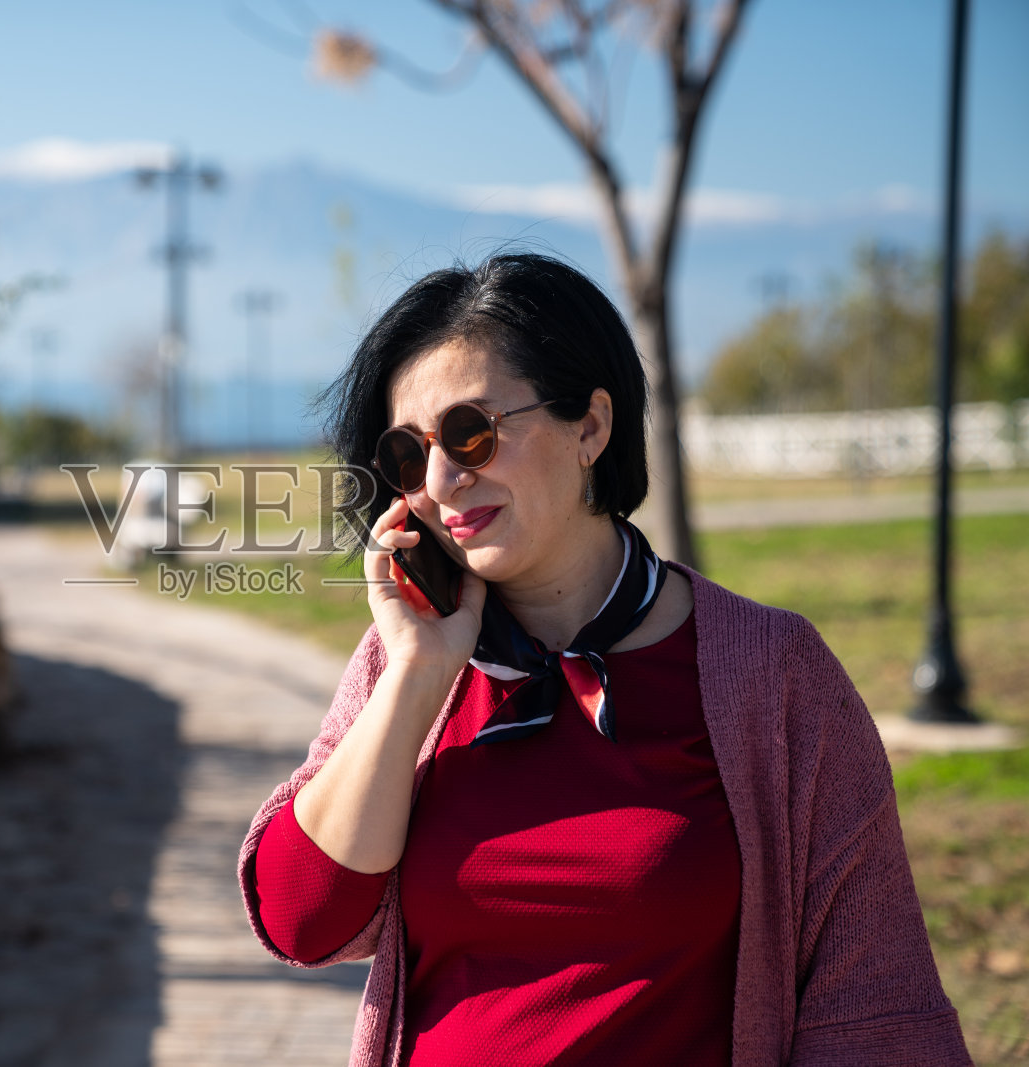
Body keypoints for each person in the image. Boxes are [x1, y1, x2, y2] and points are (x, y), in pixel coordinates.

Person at [239, 254, 970, 1066]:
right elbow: (303, 921)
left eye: (470, 431)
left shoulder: (773, 673)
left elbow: (874, 1009)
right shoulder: (405, 660)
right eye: (409, 454)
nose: (442, 480)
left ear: (590, 425)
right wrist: (415, 673)